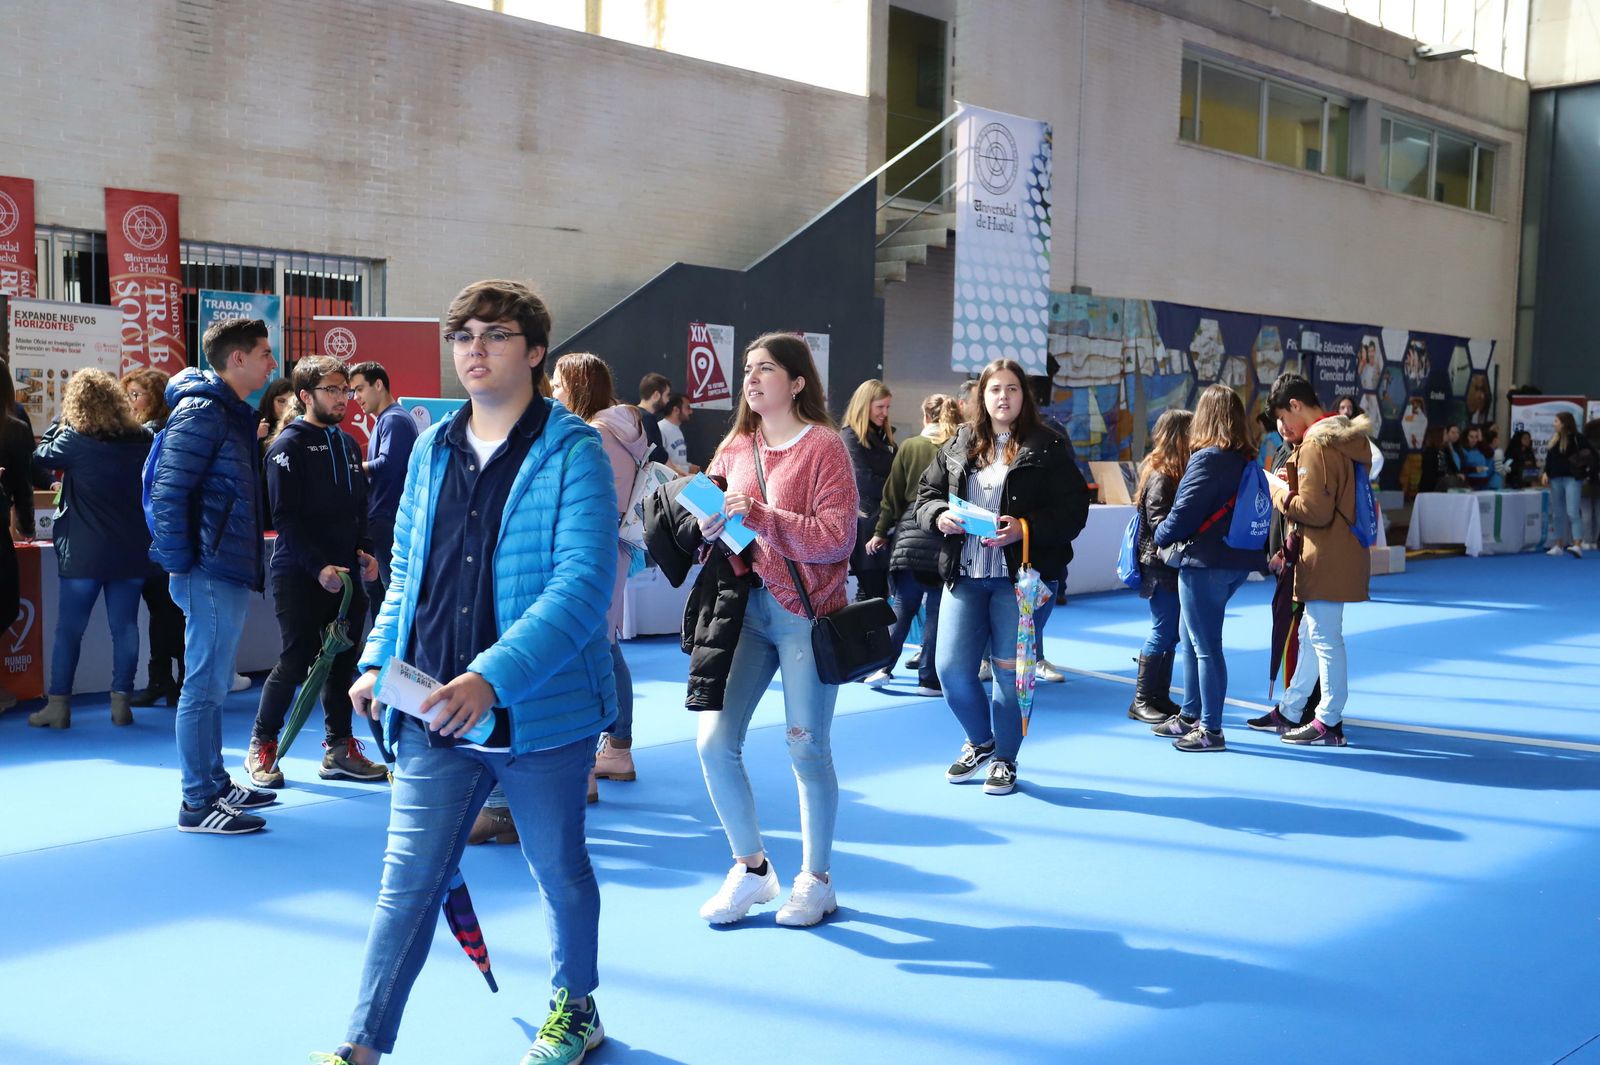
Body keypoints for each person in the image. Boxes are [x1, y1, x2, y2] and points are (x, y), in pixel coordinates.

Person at [313, 280, 617, 1065]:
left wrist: (491, 676)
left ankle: (575, 1006)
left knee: (559, 870)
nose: (475, 349)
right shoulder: (431, 444)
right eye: (464, 336)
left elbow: (581, 583)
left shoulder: (573, 449)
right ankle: (359, 1048)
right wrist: (379, 658)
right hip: (431, 710)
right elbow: (409, 569)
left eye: (496, 334)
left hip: (540, 712)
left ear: (536, 350)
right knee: (406, 883)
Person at [689, 332, 856, 929]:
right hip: (743, 612)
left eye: (766, 369)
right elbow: (719, 523)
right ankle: (752, 869)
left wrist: (758, 514)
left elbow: (836, 538)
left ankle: (817, 879)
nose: (752, 379)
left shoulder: (825, 447)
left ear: (798, 381)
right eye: (748, 370)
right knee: (712, 742)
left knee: (807, 748)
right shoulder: (736, 446)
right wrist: (709, 522)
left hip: (807, 615)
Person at [916, 358, 1090, 794]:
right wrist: (939, 517)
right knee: (951, 670)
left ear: (1023, 396)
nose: (1003, 397)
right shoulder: (959, 442)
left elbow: (1073, 511)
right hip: (965, 574)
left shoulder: (1047, 445)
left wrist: (1024, 527)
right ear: (982, 396)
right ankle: (980, 742)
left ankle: (1006, 760)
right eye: (995, 390)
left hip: (1018, 581)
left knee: (1010, 677)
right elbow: (926, 495)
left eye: (1012, 389)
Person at [147, 317, 279, 833]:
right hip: (207, 566)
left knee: (213, 685)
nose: (273, 363)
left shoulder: (226, 411)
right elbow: (168, 492)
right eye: (265, 353)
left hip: (218, 564)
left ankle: (213, 783)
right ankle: (197, 801)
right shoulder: (205, 412)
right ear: (238, 358)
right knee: (203, 686)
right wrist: (184, 562)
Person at [244, 356, 385, 788]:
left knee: (343, 661)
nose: (343, 398)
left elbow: (359, 506)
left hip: (346, 577)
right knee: (296, 660)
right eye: (332, 390)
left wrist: (366, 551)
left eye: (345, 389)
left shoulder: (346, 443)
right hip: (300, 574)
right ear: (306, 396)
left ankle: (339, 748)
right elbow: (284, 519)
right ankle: (261, 745)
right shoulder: (286, 447)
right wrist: (318, 567)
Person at [24, 371, 152, 728]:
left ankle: (59, 706)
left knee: (70, 631)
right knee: (125, 628)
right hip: (131, 550)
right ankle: (121, 703)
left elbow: (40, 456)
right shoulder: (143, 437)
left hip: (84, 552)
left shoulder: (74, 441)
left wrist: (58, 422)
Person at [551, 351, 648, 802]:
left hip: (588, 554)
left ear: (576, 386)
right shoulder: (626, 430)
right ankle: (616, 747)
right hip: (615, 551)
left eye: (558, 383)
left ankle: (587, 760)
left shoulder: (592, 435)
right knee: (603, 646)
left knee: (588, 652)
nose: (553, 391)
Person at [1150, 384, 1267, 752]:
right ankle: (1190, 715)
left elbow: (1182, 514)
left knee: (1205, 646)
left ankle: (1211, 728)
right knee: (1194, 641)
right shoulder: (1245, 458)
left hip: (1204, 563)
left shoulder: (1207, 458)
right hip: (1234, 561)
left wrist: (1160, 533)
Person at [1260, 373, 1372, 747]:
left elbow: (1315, 510)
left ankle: (1328, 718)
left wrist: (1279, 495)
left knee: (1323, 637)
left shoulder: (1314, 447)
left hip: (1324, 553)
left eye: (1283, 417)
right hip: (1339, 550)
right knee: (1312, 634)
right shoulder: (1343, 440)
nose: (1282, 427)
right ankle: (1294, 709)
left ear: (1295, 406)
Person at [862, 393, 960, 695]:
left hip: (908, 532)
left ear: (926, 417)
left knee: (902, 607)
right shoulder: (959, 449)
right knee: (935, 610)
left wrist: (879, 532)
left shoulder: (909, 446)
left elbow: (890, 497)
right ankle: (928, 679)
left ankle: (881, 667)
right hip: (945, 534)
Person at [121, 368, 187, 708]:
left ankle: (166, 681)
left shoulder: (150, 432)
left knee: (165, 611)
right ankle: (170, 680)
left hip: (157, 534)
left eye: (136, 394)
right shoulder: (172, 428)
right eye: (128, 395)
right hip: (164, 534)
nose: (130, 402)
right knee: (169, 611)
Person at [1126, 409, 1192, 724]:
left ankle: (1158, 695)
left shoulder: (1172, 472)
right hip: (1159, 565)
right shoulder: (1162, 475)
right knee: (1162, 630)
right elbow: (1157, 523)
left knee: (1171, 633)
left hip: (1167, 565)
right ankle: (1141, 700)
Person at [350, 361, 419, 628]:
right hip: (383, 518)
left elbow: (388, 465)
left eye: (360, 389)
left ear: (378, 384)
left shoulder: (394, 419)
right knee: (381, 595)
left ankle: (393, 659)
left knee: (391, 596)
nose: (356, 398)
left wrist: (353, 467)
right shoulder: (389, 419)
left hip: (389, 518)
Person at [0, 360, 36, 716]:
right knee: (6, 603)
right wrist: (26, 526)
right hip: (1, 529)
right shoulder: (14, 427)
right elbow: (23, 485)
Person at [840, 379, 896, 604]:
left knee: (877, 596)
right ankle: (869, 639)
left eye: (887, 407)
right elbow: (862, 481)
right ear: (865, 405)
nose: (884, 413)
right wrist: (895, 490)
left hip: (883, 523)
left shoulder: (886, 439)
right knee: (871, 594)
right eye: (880, 407)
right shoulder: (850, 437)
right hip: (864, 525)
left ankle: (873, 638)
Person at [1543, 411, 1591, 558]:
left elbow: (1588, 455)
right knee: (1558, 513)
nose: (1554, 424)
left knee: (1572, 512)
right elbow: (1549, 459)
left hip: (1572, 479)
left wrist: (1582, 472)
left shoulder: (1578, 438)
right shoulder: (1554, 439)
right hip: (1556, 478)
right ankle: (1559, 544)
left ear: (1564, 423)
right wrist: (1546, 472)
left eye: (1556, 421)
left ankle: (1577, 545)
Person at [634, 371, 671, 466]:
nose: (668, 400)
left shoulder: (633, 414)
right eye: (667, 395)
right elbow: (658, 456)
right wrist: (683, 475)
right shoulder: (647, 418)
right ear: (656, 395)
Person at [658, 390, 698, 474]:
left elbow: (677, 459)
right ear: (676, 410)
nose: (691, 411)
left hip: (680, 479)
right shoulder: (661, 428)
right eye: (687, 408)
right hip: (669, 483)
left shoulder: (677, 429)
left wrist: (689, 466)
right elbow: (659, 462)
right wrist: (687, 469)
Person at [1581, 419, 1600, 550]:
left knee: (1586, 511)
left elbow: (1578, 463)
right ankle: (1596, 539)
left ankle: (1587, 540)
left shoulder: (1584, 446)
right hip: (1598, 480)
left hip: (1586, 480)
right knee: (1598, 512)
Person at [1459, 425, 1495, 490]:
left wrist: (1480, 440)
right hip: (1471, 482)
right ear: (1466, 437)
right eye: (1471, 437)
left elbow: (1490, 453)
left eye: (1476, 437)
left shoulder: (1480, 448)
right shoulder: (1463, 450)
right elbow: (1461, 468)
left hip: (1484, 481)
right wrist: (1475, 469)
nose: (1474, 439)